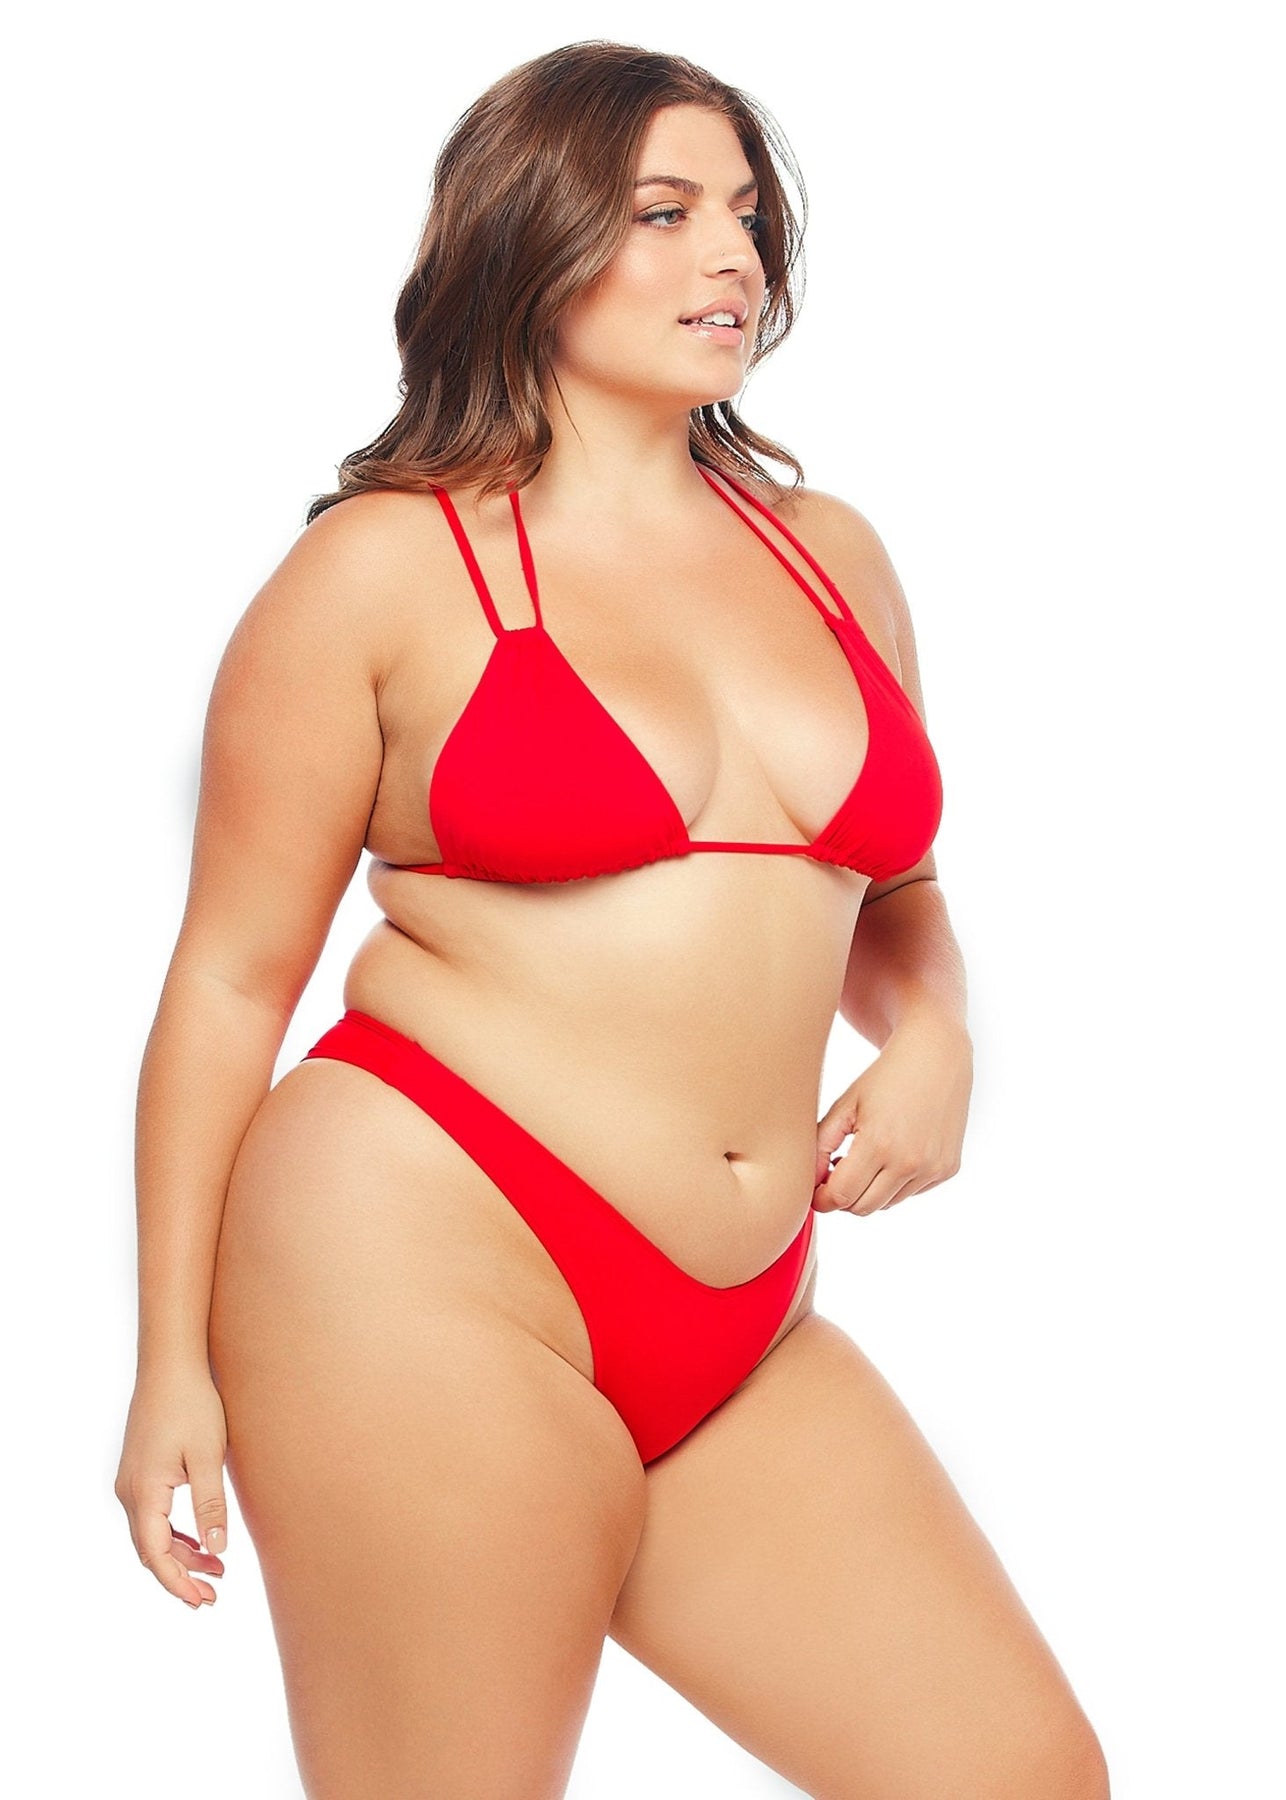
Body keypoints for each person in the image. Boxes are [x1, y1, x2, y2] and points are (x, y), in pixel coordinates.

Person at [114, 40, 1110, 1800]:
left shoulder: (830, 553)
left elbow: (890, 886)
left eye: (744, 214)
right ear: (530, 237)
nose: (731, 254)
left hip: (743, 1319)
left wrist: (938, 1029)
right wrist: (168, 1364)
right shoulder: (379, 572)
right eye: (662, 212)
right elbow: (226, 984)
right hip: (415, 1262)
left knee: (1016, 1777)